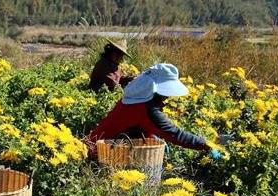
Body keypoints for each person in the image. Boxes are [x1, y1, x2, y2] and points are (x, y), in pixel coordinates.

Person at [86, 63, 221, 159]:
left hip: (104, 145)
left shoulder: (138, 99)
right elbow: (175, 134)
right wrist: (206, 145)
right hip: (103, 155)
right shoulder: (146, 107)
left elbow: (135, 126)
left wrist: (152, 136)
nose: (168, 96)